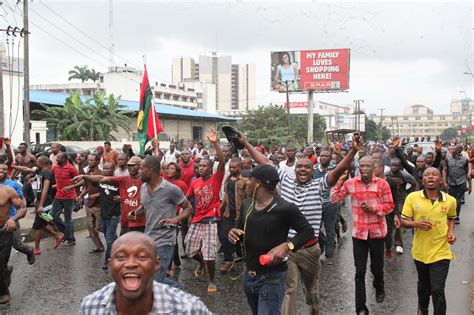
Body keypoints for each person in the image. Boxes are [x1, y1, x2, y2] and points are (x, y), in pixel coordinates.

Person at [240, 133, 361, 315]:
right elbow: (265, 163)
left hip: (310, 249)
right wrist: (245, 143)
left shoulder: (319, 185)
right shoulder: (285, 180)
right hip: (287, 248)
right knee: (289, 290)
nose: (303, 169)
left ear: (313, 171)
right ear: (294, 170)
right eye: (299, 167)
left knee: (311, 289)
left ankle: (314, 307)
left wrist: (353, 151)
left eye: (307, 167)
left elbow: (336, 173)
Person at [228, 164, 314, 314]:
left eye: (250, 179)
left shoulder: (285, 208)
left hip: (272, 278)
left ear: (258, 183)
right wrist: (233, 232)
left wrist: (288, 246)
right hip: (249, 275)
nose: (246, 182)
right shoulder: (247, 204)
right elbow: (239, 227)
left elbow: (307, 232)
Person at [79, 232, 211, 314]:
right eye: (121, 257)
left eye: (142, 257)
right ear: (110, 265)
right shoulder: (91, 306)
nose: (131, 263)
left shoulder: (188, 309)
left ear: (156, 264)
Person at [331, 156, 395, 315]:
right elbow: (334, 198)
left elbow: (390, 206)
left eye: (368, 166)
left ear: (374, 168)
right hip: (359, 234)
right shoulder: (351, 183)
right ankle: (360, 307)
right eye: (362, 166)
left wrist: (374, 208)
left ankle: (379, 286)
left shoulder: (382, 184)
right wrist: (340, 180)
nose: (364, 169)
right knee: (359, 271)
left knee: (377, 268)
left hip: (377, 233)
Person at [130, 156, 193, 289]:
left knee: (155, 279)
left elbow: (188, 208)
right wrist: (135, 212)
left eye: (141, 168)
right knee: (149, 276)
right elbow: (145, 207)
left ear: (151, 170)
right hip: (148, 239)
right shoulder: (143, 188)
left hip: (165, 241)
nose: (138, 171)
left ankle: (179, 293)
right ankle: (176, 290)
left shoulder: (171, 189)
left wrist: (176, 219)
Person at [401, 167, 457, 315]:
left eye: (434, 175)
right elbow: (403, 221)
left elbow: (451, 217)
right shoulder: (412, 198)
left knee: (437, 289)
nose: (430, 177)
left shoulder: (450, 201)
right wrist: (416, 224)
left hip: (441, 252)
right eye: (427, 175)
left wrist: (451, 232)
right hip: (421, 252)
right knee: (424, 287)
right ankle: (423, 309)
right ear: (422, 179)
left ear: (440, 179)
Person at [185, 128, 225, 293]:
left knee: (209, 253)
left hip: (210, 220)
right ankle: (201, 263)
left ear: (210, 168)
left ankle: (211, 280)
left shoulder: (216, 178)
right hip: (196, 220)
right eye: (199, 166)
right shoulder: (194, 182)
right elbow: (186, 199)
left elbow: (222, 161)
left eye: (203, 166)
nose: (200, 168)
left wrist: (215, 142)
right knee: (189, 249)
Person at [74, 156, 145, 237]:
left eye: (133, 165)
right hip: (125, 220)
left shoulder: (145, 181)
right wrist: (84, 176)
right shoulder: (124, 179)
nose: (130, 168)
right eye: (129, 166)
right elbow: (101, 179)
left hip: (140, 221)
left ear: (140, 166)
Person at [9, 158, 65, 255]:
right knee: (41, 223)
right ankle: (57, 235)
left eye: (38, 162)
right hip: (40, 200)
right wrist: (12, 166)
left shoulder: (47, 172)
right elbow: (26, 169)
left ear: (42, 163)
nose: (36, 163)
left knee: (37, 226)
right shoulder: (40, 171)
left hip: (45, 201)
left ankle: (37, 248)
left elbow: (46, 189)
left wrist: (41, 205)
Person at [385, 157, 419, 255]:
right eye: (392, 165)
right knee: (388, 221)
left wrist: (413, 195)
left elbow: (415, 183)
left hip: (400, 199)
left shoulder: (404, 175)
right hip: (389, 199)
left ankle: (398, 243)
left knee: (399, 221)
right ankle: (387, 242)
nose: (393, 167)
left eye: (396, 165)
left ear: (400, 166)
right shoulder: (386, 173)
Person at [219, 157, 247, 272]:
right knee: (224, 236)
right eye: (230, 167)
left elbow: (248, 198)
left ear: (240, 168)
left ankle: (246, 259)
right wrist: (221, 208)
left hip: (241, 215)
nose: (231, 169)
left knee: (245, 239)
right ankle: (228, 260)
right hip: (228, 213)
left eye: (234, 167)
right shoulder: (227, 179)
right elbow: (226, 195)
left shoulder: (244, 181)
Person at [0, 185, 25, 304]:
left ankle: (4, 293)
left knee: (0, 263)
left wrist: (12, 219)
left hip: (4, 230)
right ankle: (6, 270)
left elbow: (22, 208)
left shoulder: (8, 190)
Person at [51, 152, 80, 246]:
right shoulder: (55, 168)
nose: (56, 159)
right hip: (58, 196)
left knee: (68, 218)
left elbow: (80, 181)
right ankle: (66, 232)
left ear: (64, 159)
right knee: (52, 215)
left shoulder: (71, 168)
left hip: (69, 197)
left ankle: (71, 239)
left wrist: (72, 189)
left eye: (58, 158)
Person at [77, 154, 104, 253]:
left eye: (92, 160)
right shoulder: (88, 172)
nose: (90, 162)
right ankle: (99, 246)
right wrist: (81, 195)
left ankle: (114, 241)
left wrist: (96, 195)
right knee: (90, 226)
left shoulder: (101, 173)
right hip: (89, 203)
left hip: (99, 204)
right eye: (88, 160)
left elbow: (105, 189)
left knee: (99, 227)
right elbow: (86, 184)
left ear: (97, 161)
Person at [442, 144, 471, 224]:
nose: (451, 151)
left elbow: (468, 175)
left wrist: (470, 186)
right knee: (451, 200)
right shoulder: (447, 159)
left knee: (458, 201)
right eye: (451, 149)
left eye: (453, 149)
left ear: (458, 151)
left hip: (461, 182)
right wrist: (444, 182)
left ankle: (456, 217)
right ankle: (451, 215)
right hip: (451, 182)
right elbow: (444, 170)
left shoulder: (465, 160)